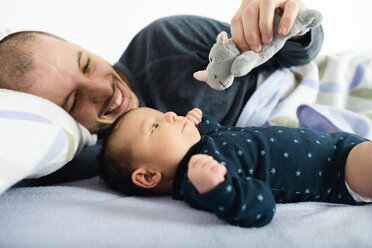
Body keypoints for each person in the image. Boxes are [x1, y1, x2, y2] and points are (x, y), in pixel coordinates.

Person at [0, 0, 324, 184]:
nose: (103, 88)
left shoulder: (168, 38)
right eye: (73, 101)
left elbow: (296, 56)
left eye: (85, 64)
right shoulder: (85, 159)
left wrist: (284, 24)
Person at [99, 107, 372, 227]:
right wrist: (221, 188)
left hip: (336, 144)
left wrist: (204, 123)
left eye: (162, 112)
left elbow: (228, 135)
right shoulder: (199, 178)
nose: (170, 114)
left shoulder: (204, 145)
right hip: (338, 172)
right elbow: (262, 206)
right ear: (148, 176)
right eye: (155, 126)